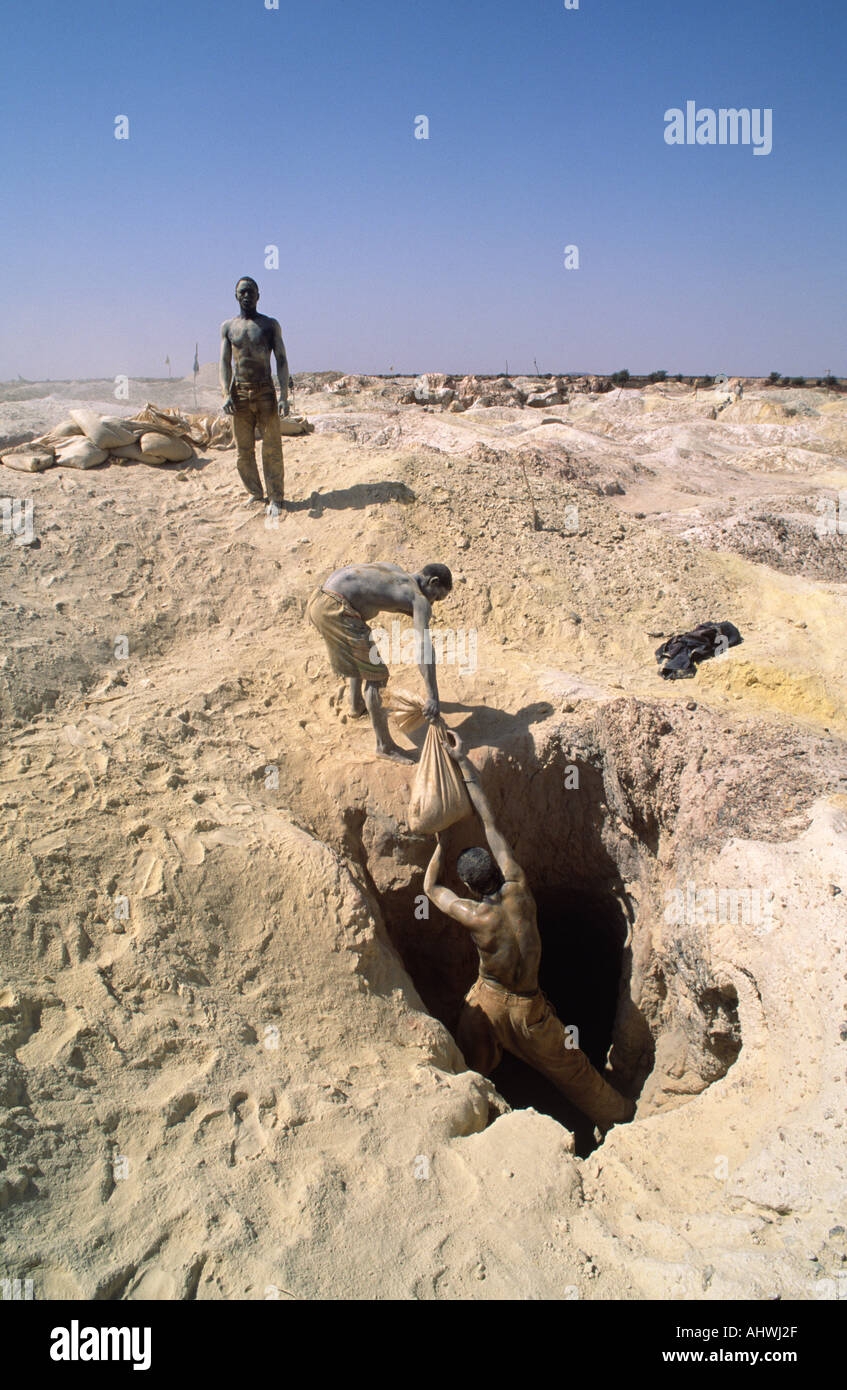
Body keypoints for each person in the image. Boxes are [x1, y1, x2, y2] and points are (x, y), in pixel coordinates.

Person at [423, 731, 635, 1130]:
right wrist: (463, 762)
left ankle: (477, 1119)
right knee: (575, 1071)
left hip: (490, 1003)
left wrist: (440, 842)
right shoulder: (519, 885)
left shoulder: (474, 916)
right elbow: (489, 821)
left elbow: (431, 890)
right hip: (530, 1008)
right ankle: (621, 1117)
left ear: (470, 887)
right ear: (497, 870)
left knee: (472, 1063)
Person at [306, 561, 452, 762]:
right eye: (436, 596)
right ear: (432, 581)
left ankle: (356, 705)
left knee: (362, 649)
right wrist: (433, 696)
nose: (433, 603)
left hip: (319, 599)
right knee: (378, 676)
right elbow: (423, 647)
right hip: (337, 609)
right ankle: (385, 747)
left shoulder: (396, 571)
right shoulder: (418, 599)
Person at [220, 277, 290, 520]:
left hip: (265, 393)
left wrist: (284, 396)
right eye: (242, 292)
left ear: (259, 295)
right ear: (236, 296)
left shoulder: (270, 325)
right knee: (243, 450)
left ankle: (276, 497)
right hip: (239, 394)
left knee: (271, 448)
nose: (247, 296)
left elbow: (281, 359)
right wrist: (225, 393)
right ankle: (255, 491)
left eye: (251, 292)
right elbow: (224, 363)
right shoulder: (228, 327)